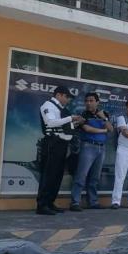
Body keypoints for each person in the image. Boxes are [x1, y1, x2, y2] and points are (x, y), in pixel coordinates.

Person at [37, 86, 83, 215]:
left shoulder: (61, 109)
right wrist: (70, 118)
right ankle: (42, 205)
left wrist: (75, 124)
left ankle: (50, 203)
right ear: (59, 95)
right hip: (52, 143)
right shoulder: (48, 106)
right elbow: (51, 123)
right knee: (48, 174)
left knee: (57, 175)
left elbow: (64, 126)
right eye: (66, 97)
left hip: (61, 144)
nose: (68, 100)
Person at [69, 92, 113, 211]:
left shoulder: (104, 114)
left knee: (95, 177)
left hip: (101, 148)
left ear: (97, 102)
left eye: (91, 100)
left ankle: (93, 202)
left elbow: (111, 129)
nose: (88, 103)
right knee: (81, 175)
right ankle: (75, 202)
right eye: (87, 101)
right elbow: (88, 129)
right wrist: (103, 131)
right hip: (88, 147)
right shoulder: (83, 114)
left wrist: (104, 118)